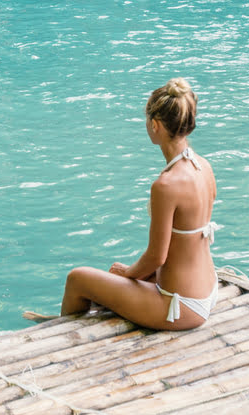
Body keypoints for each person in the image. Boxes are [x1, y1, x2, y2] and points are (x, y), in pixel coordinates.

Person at [60, 78, 219, 331]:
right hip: (208, 287)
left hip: (180, 304)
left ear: (155, 125)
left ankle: (61, 337)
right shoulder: (203, 167)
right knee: (118, 273)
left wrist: (129, 274)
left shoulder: (166, 185)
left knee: (77, 278)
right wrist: (133, 273)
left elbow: (157, 256)